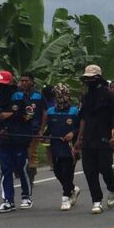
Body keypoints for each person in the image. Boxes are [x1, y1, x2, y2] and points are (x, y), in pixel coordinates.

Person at [75, 65, 114, 214]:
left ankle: (112, 188)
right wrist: (79, 137)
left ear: (98, 78)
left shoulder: (108, 95)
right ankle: (96, 200)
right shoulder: (86, 97)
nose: (89, 81)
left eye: (91, 78)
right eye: (86, 78)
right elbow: (83, 118)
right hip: (88, 139)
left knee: (104, 168)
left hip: (103, 138)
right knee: (90, 171)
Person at [0, 70, 36, 213]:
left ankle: (26, 196)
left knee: (21, 168)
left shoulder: (20, 96)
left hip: (19, 138)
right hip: (3, 140)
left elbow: (30, 114)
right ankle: (8, 201)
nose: (2, 88)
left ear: (11, 84)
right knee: (5, 169)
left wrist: (12, 115)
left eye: (4, 85)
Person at [44, 83, 81, 211]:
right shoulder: (50, 111)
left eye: (63, 95)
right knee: (58, 172)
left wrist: (73, 134)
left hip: (69, 147)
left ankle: (65, 197)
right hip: (55, 146)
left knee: (67, 171)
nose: (60, 98)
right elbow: (48, 129)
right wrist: (45, 135)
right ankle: (71, 188)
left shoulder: (74, 111)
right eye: (58, 95)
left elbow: (79, 128)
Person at [16, 73, 46, 186]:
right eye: (22, 80)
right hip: (20, 130)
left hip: (34, 129)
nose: (24, 82)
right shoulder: (17, 95)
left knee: (31, 153)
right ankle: (27, 172)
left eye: (26, 80)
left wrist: (42, 129)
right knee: (22, 154)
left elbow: (44, 112)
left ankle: (30, 177)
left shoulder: (38, 95)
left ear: (32, 82)